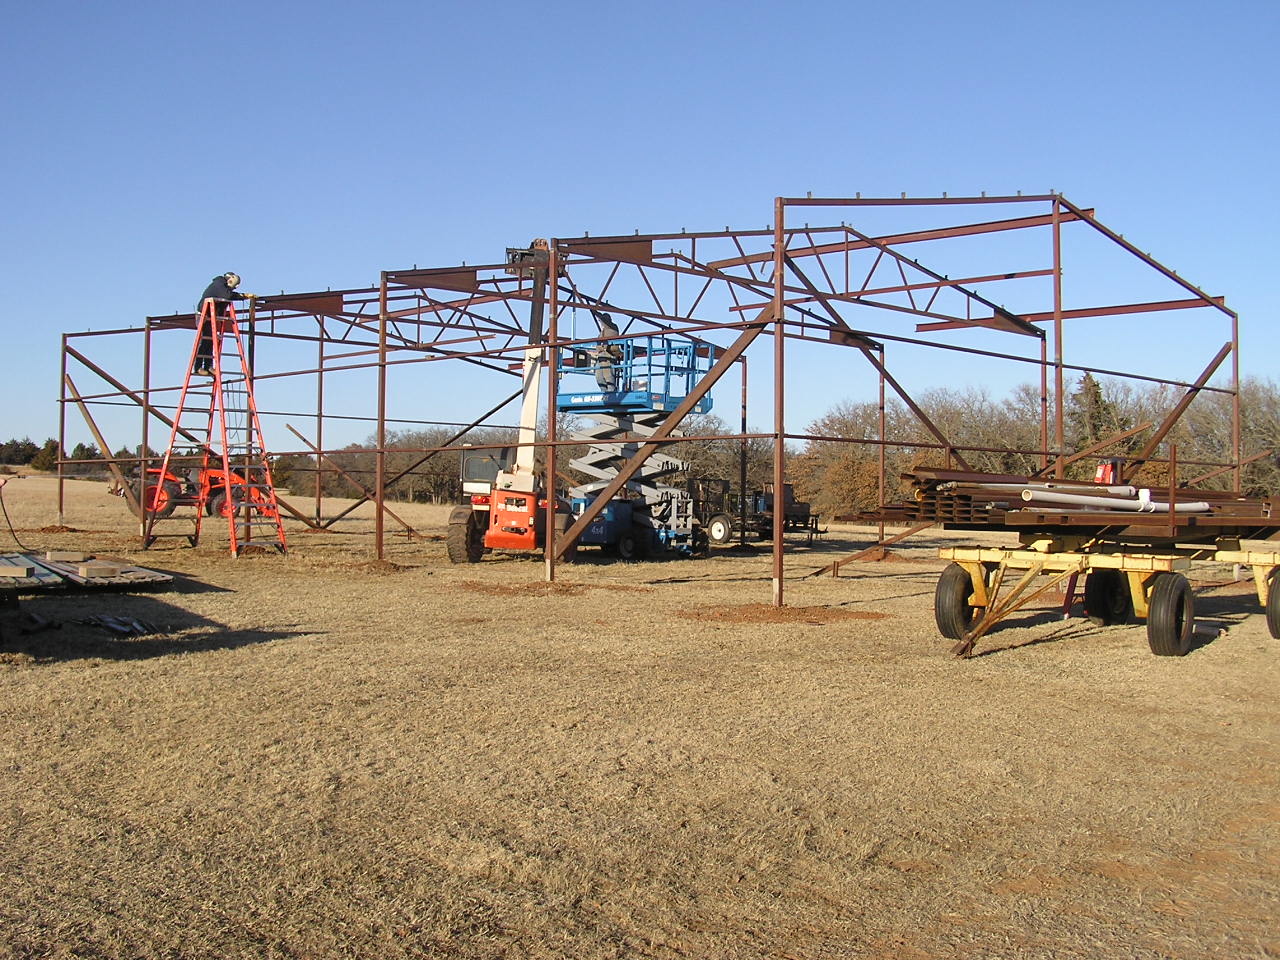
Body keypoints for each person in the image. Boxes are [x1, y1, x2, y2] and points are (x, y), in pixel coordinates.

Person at [193, 272, 250, 376]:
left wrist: (242, 296)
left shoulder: (222, 287)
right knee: (205, 341)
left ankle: (208, 366)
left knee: (211, 342)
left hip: (211, 317)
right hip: (204, 316)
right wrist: (241, 296)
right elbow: (227, 295)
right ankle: (198, 367)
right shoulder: (219, 284)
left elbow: (228, 295)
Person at [593, 315, 624, 392]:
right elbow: (598, 346)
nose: (600, 322)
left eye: (601, 321)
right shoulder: (602, 331)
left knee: (608, 376)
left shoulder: (612, 328)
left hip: (608, 356)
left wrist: (596, 312)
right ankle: (604, 392)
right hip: (601, 356)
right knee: (599, 377)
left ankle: (611, 390)